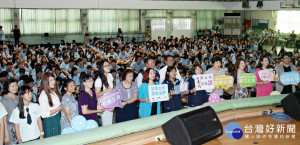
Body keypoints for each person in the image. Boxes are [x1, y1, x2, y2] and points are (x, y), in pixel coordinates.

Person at [38, 72, 64, 138]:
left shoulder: (52, 91)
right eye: (50, 80)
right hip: (50, 121)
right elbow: (43, 114)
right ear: (46, 82)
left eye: (53, 79)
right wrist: (58, 109)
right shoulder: (43, 95)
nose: (53, 82)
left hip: (56, 118)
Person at [95, 59, 114, 126]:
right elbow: (96, 95)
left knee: (110, 123)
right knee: (106, 125)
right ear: (101, 68)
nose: (108, 67)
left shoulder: (110, 75)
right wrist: (105, 90)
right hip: (104, 104)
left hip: (111, 102)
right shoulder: (99, 79)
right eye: (105, 66)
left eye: (108, 65)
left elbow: (111, 89)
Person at [1, 78, 19, 145]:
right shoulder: (4, 101)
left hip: (20, 126)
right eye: (12, 86)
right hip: (10, 129)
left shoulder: (18, 97)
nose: (15, 88)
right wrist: (6, 136)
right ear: (8, 88)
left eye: (16, 85)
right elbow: (4, 120)